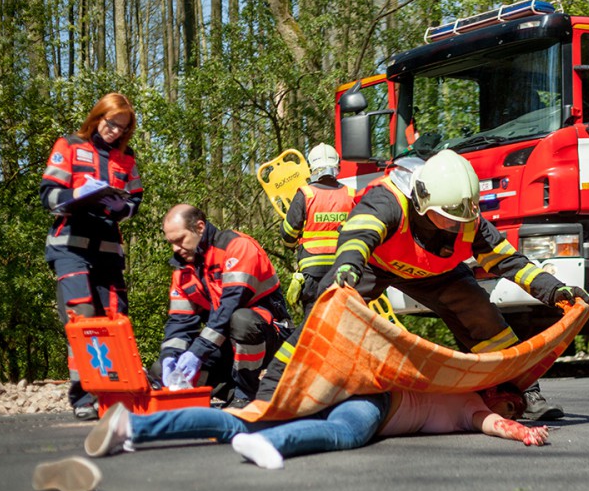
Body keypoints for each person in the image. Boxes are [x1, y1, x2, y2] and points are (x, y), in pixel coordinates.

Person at [259, 150, 588, 421]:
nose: (455, 226)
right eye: (447, 218)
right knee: (324, 314)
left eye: (463, 218)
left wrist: (555, 291)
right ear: (422, 203)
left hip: (439, 273)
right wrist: (348, 266)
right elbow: (358, 234)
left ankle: (526, 394)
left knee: (484, 319)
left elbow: (512, 263)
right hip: (375, 267)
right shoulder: (388, 200)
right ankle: (272, 394)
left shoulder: (468, 218)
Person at [83, 386, 549, 470]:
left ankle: (134, 427)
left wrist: (514, 425)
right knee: (344, 435)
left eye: (516, 406)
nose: (511, 407)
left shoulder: (456, 381)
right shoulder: (471, 399)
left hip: (351, 386)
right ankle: (265, 445)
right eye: (512, 400)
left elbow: (489, 419)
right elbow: (489, 421)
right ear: (496, 390)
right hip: (375, 404)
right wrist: (517, 430)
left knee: (233, 420)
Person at [40, 93, 143, 420]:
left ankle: (113, 392)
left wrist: (122, 208)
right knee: (82, 315)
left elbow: (135, 202)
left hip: (109, 251)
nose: (115, 131)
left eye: (122, 128)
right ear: (97, 117)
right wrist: (78, 196)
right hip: (69, 246)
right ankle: (82, 396)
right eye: (111, 123)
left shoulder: (127, 160)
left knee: (115, 318)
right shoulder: (68, 146)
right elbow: (48, 194)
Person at [159, 204, 293, 407]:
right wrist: (169, 357)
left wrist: (198, 351)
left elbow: (231, 305)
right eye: (171, 242)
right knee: (159, 369)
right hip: (226, 343)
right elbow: (179, 321)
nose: (175, 248)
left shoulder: (236, 247)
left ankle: (244, 395)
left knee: (241, 320)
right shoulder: (183, 271)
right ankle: (234, 394)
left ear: (200, 227)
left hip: (269, 337)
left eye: (180, 240)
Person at [280, 143, 355, 316]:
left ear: (312, 167)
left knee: (313, 323)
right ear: (337, 166)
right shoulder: (351, 194)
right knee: (341, 321)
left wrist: (291, 244)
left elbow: (288, 234)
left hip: (312, 273)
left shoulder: (306, 194)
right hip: (343, 270)